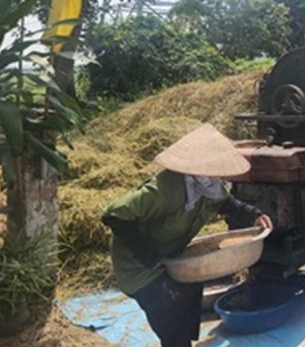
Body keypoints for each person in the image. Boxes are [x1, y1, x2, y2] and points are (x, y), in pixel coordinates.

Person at [102, 124, 273, 347]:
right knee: (169, 308)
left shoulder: (209, 185)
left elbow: (225, 202)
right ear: (200, 166)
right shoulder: (166, 188)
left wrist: (254, 214)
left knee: (191, 289)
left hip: (171, 259)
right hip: (139, 267)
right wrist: (147, 255)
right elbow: (114, 214)